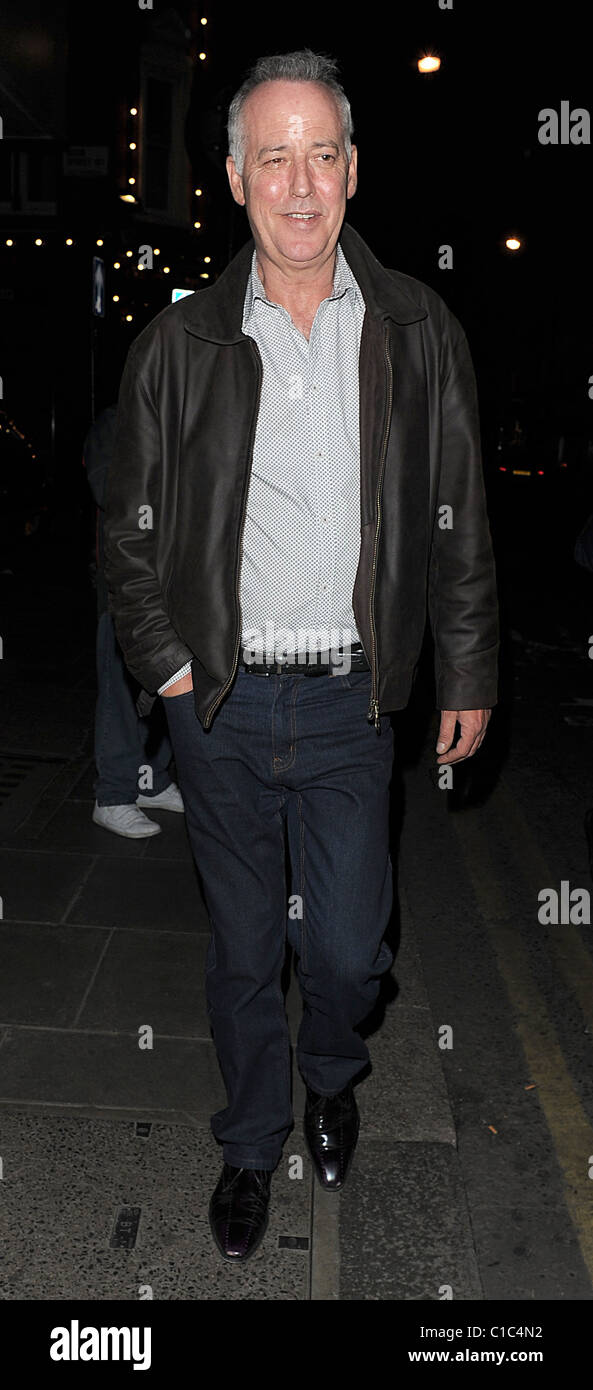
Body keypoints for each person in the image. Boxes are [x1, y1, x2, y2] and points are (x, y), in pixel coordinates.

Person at [104, 49, 499, 1262]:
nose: (297, 182)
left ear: (351, 170)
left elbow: (459, 515)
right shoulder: (178, 344)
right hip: (218, 706)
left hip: (347, 699)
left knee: (343, 949)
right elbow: (125, 537)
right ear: (233, 178)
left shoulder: (417, 328)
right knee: (240, 946)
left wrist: (468, 670)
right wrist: (170, 667)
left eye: (318, 153)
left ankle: (332, 1075)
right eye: (270, 156)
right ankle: (245, 1143)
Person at [83, 405, 184, 836]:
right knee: (120, 690)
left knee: (164, 685)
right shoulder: (114, 422)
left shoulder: (178, 416)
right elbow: (111, 489)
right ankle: (113, 796)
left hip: (175, 584)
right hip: (127, 584)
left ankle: (150, 780)